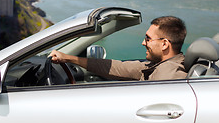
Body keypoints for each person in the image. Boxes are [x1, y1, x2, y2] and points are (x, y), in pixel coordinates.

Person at [50, 16, 187, 81]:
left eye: (148, 39)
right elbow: (116, 67)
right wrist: (67, 58)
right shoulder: (157, 66)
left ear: (164, 44)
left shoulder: (169, 76)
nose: (143, 43)